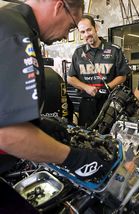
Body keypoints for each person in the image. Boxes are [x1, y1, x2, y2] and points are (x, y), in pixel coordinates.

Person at [0, 0, 113, 180]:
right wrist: (72, 158)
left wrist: (37, 124)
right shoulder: (17, 34)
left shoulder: (9, 20)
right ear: (59, 6)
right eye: (70, 27)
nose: (64, 36)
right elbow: (9, 134)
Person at [67, 15, 130, 127]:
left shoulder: (114, 50)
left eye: (89, 29)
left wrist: (107, 87)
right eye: (82, 32)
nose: (87, 34)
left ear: (95, 28)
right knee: (85, 137)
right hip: (86, 104)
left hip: (109, 103)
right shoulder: (78, 52)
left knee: (109, 136)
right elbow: (70, 78)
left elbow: (123, 76)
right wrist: (86, 87)